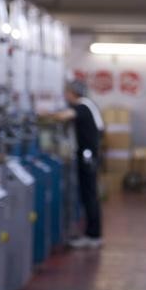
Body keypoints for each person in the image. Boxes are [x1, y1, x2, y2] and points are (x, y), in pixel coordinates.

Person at [52, 79, 105, 249]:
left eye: (66, 92)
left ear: (72, 93)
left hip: (87, 155)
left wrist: (43, 114)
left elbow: (64, 116)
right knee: (88, 193)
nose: (65, 96)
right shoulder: (88, 105)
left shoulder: (82, 106)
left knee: (89, 194)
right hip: (88, 154)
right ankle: (92, 233)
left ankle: (93, 235)